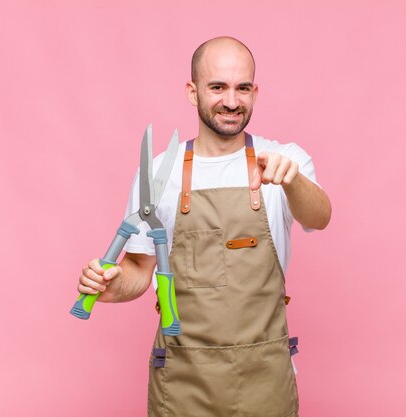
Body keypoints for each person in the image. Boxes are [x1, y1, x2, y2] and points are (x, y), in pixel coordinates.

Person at [77, 36, 331, 417]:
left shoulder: (284, 160)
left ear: (255, 92)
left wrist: (291, 180)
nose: (231, 101)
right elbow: (139, 271)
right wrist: (114, 286)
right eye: (218, 87)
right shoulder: (161, 171)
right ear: (192, 92)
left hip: (265, 376)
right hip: (183, 381)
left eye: (242, 88)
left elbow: (320, 217)